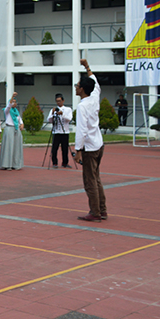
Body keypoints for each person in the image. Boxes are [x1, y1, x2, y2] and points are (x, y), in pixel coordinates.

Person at [75, 59, 106, 222]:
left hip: (89, 147)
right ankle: (102, 209)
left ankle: (95, 212)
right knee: (97, 178)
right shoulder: (94, 95)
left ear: (82, 90)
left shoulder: (82, 106)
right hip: (98, 144)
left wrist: (78, 150)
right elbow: (94, 81)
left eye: (77, 85)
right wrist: (87, 67)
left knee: (90, 181)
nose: (75, 86)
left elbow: (81, 130)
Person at [0, 93, 23, 170]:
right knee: (9, 146)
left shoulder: (16, 112)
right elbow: (8, 105)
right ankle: (7, 164)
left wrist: (21, 124)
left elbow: (20, 120)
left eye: (15, 102)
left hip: (16, 129)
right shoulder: (7, 111)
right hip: (9, 129)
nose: (14, 103)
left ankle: (15, 164)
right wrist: (12, 97)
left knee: (16, 147)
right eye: (13, 102)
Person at [47, 93, 73, 168]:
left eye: (59, 101)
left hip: (65, 131)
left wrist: (62, 114)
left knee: (65, 148)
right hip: (56, 131)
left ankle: (65, 162)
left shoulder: (68, 109)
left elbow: (69, 119)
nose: (58, 102)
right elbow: (49, 120)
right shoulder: (53, 110)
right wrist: (52, 113)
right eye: (57, 101)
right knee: (54, 148)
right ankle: (54, 162)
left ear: (63, 100)